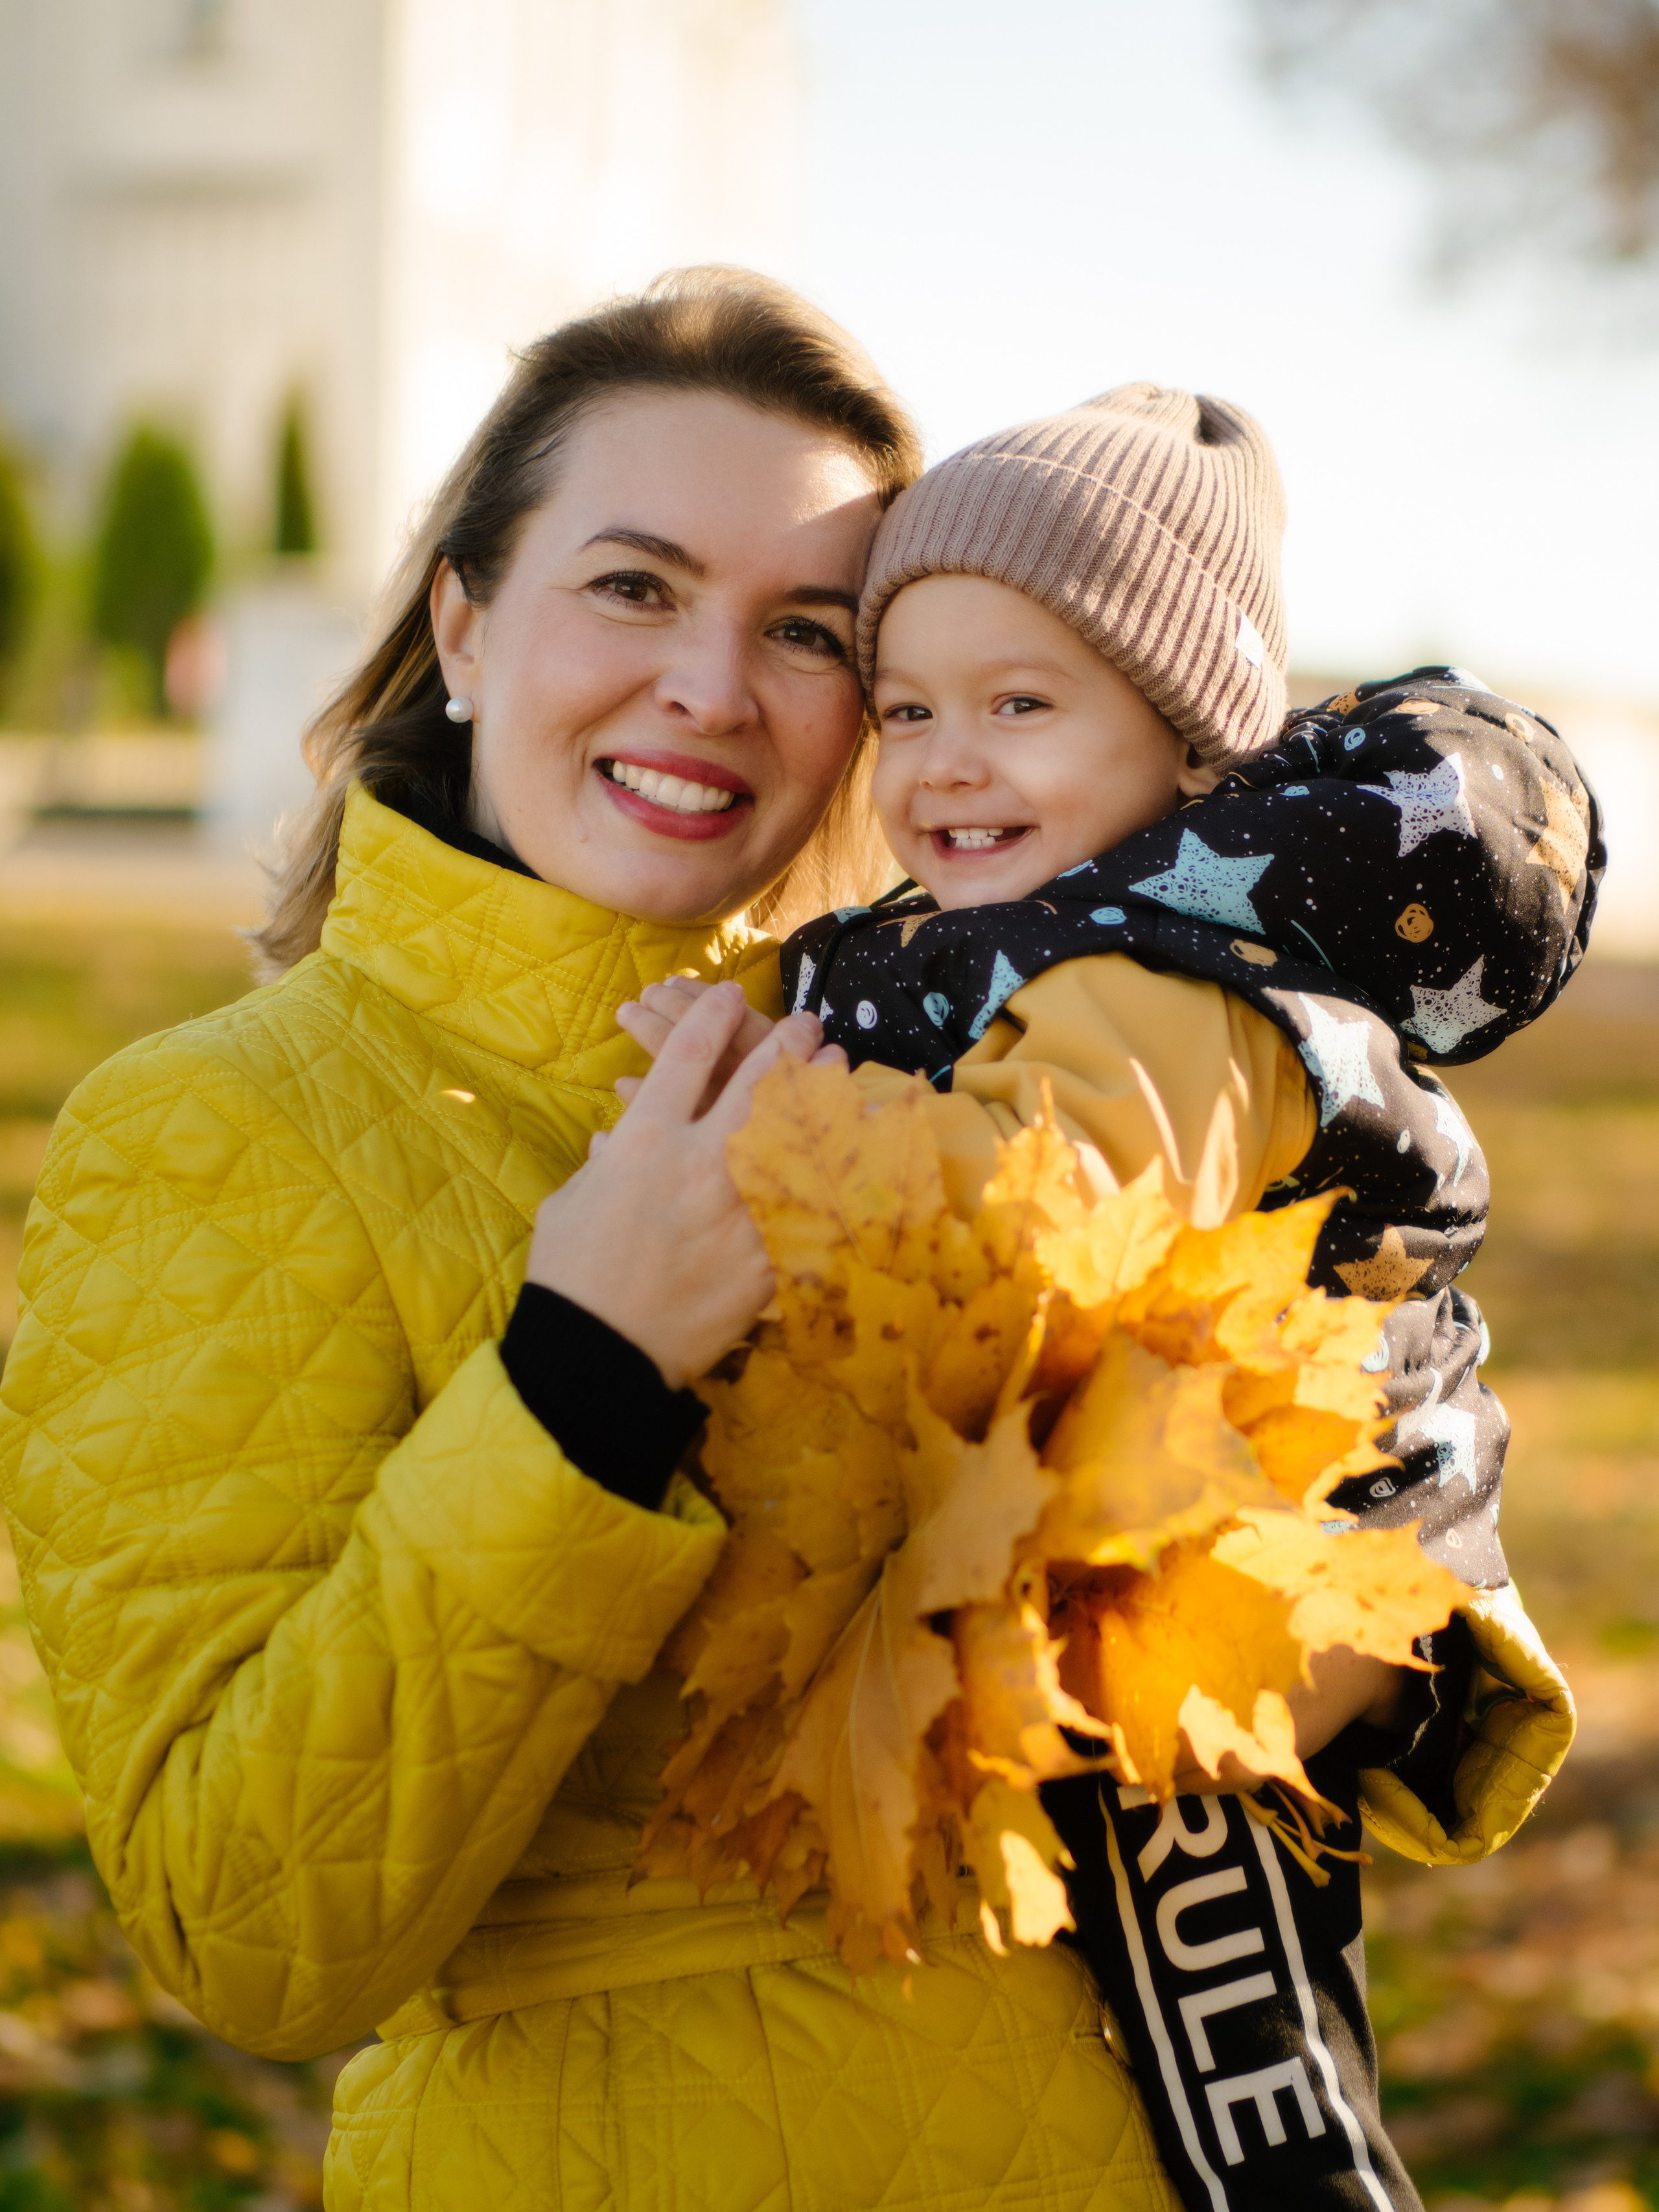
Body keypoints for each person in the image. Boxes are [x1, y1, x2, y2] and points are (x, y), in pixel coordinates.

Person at [3, 269, 1207, 2212]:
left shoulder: (981, 1062)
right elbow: (247, 1930)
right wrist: (581, 1370)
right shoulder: (217, 1130)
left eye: (804, 630)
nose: (713, 690)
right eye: (635, 587)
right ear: (466, 624)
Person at [628, 385, 1586, 2211]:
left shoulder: (1161, 984)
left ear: (1189, 748)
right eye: (907, 709)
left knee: (1242, 2086)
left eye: (1021, 705)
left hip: (1223, 1596)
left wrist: (761, 1126)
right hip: (1127, 1549)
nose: (944, 762)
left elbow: (1011, 1242)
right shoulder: (1042, 946)